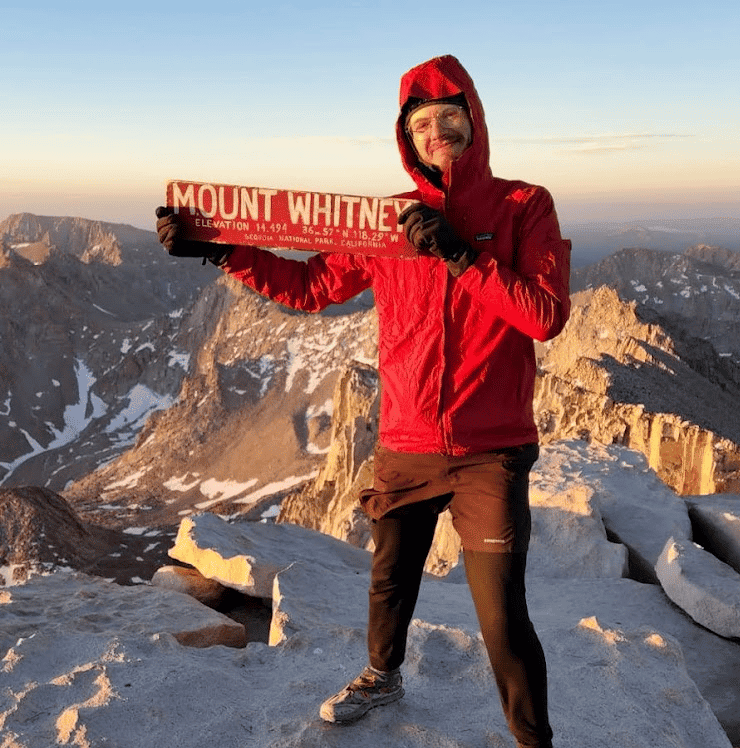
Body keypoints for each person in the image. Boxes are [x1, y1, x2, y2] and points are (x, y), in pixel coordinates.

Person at [156, 54, 570, 748]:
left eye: (449, 118)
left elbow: (543, 315)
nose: (437, 132)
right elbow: (310, 288)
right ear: (406, 140)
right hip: (406, 442)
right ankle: (383, 675)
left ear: (475, 122)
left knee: (501, 613)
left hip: (490, 450)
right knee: (389, 581)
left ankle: (533, 739)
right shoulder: (387, 222)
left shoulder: (524, 206)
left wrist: (462, 256)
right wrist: (222, 249)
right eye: (421, 124)